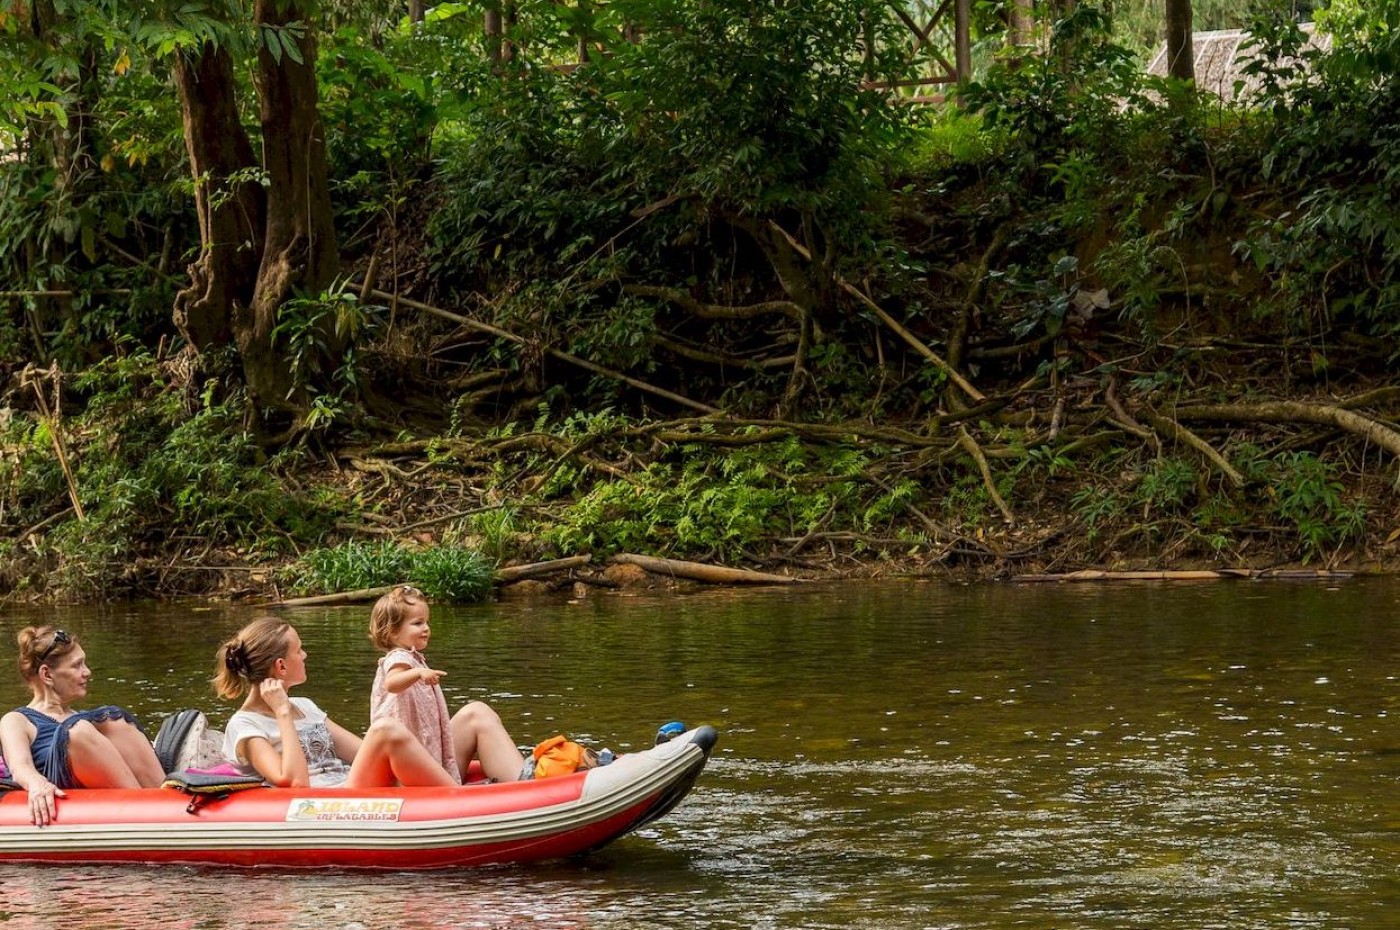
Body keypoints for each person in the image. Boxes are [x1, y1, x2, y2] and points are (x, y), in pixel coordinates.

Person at [214, 616, 464, 788]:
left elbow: (364, 751)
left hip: (352, 784)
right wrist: (282, 712)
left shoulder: (305, 706)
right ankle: (460, 802)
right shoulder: (245, 725)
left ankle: (494, 800)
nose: (305, 655)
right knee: (384, 728)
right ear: (281, 666)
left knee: (474, 716)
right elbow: (295, 783)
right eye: (299, 650)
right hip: (329, 805)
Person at [0, 626, 164, 826]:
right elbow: (20, 766)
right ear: (47, 675)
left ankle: (168, 800)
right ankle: (150, 816)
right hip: (60, 781)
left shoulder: (94, 722)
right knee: (78, 730)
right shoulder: (16, 720)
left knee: (114, 720)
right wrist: (36, 782)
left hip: (98, 775)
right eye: (77, 666)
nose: (87, 672)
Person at [368, 585, 526, 783]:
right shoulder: (398, 657)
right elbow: (392, 684)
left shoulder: (412, 657)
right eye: (417, 623)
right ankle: (522, 783)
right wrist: (417, 673)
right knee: (476, 711)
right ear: (392, 632)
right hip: (408, 765)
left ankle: (523, 779)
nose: (426, 628)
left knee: (477, 711)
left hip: (427, 752)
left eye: (426, 622)